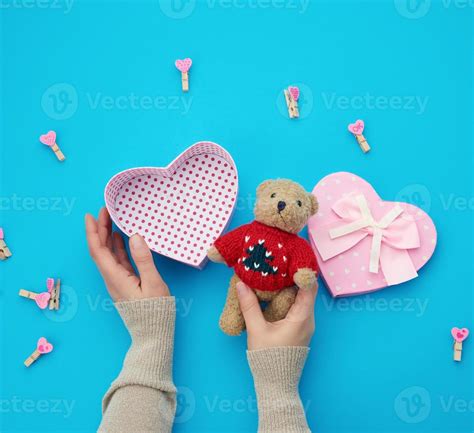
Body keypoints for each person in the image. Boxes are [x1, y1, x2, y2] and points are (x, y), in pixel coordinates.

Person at [86, 208, 316, 433]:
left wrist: (150, 338)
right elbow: (229, 244)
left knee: (272, 298)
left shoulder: (293, 244)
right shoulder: (251, 231)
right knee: (236, 299)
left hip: (276, 289)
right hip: (245, 282)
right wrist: (278, 383)